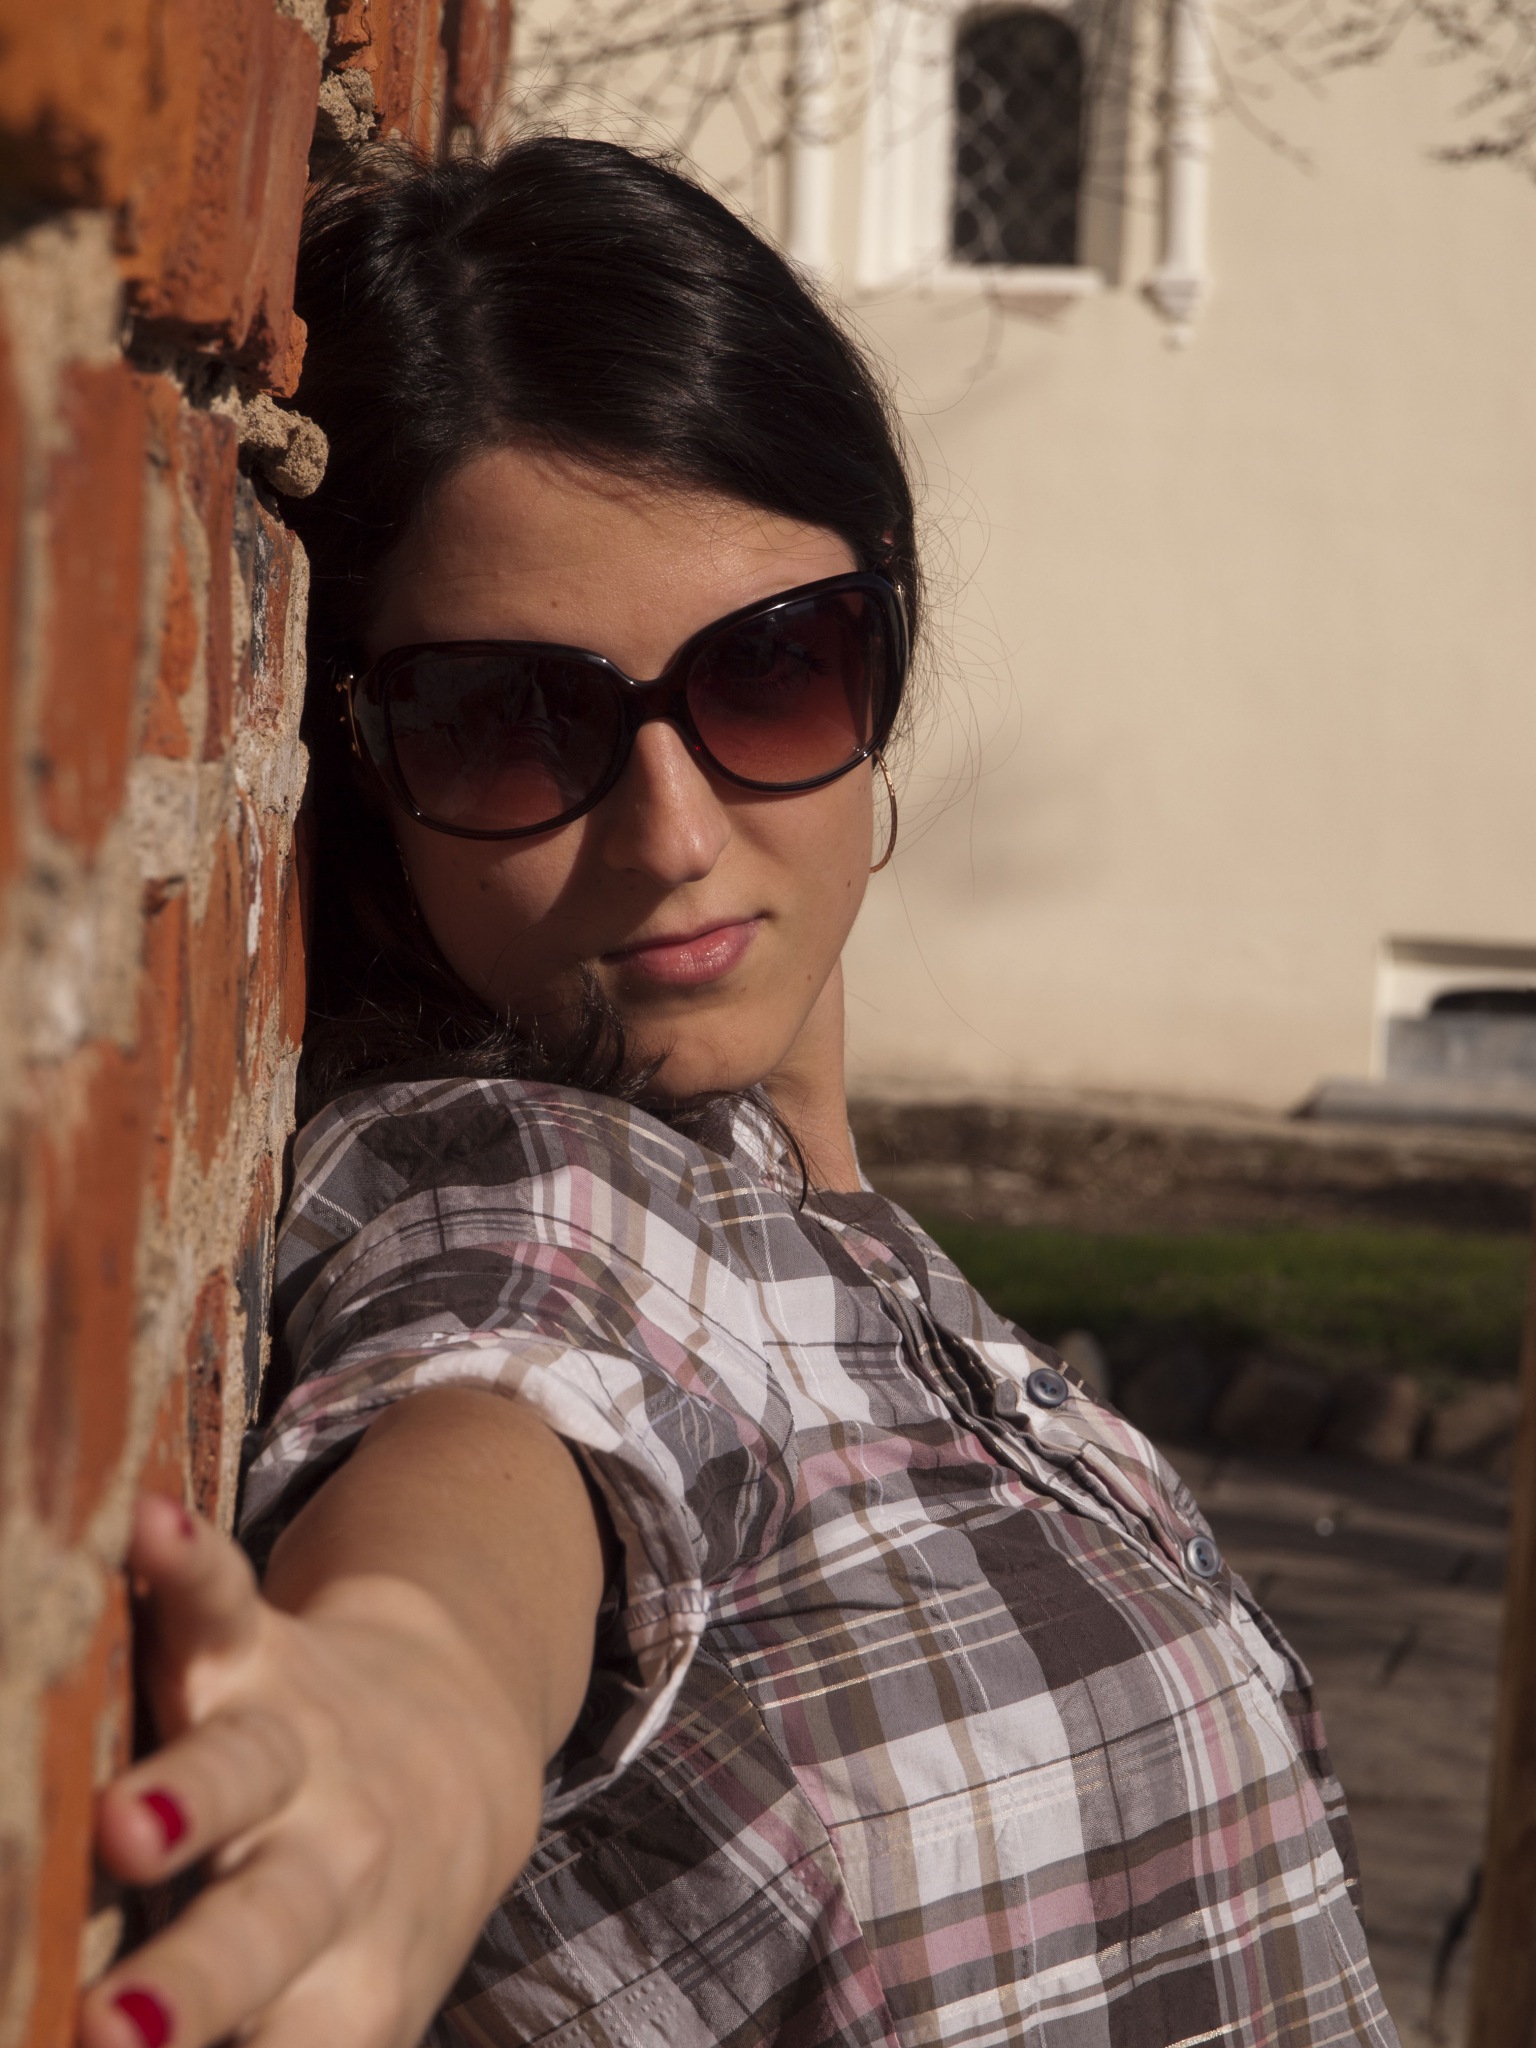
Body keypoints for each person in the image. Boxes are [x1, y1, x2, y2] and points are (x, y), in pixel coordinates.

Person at [81, 138, 1398, 2048]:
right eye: (510, 719)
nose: (674, 835)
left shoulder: (795, 1193)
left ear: (887, 652)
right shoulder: (521, 1177)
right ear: (364, 759)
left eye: (777, 671)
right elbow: (506, 1411)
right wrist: (414, 1715)